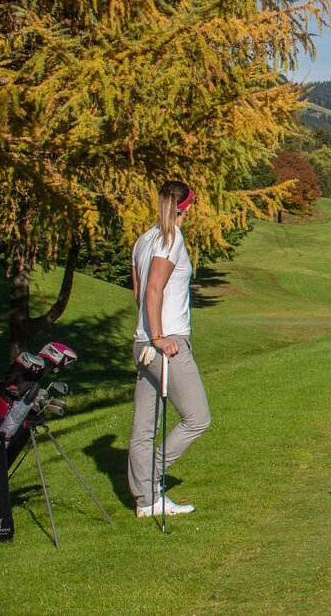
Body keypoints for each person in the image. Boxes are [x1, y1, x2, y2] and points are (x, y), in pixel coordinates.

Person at [129, 180, 211, 518]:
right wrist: (161, 337)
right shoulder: (171, 238)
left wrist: (150, 335)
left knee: (144, 427)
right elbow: (152, 290)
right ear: (187, 206)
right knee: (198, 418)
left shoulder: (143, 240)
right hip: (167, 345)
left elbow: (138, 293)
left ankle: (146, 501)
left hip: (142, 343)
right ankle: (150, 481)